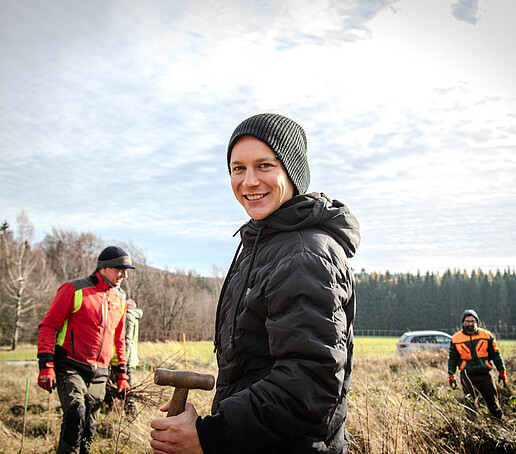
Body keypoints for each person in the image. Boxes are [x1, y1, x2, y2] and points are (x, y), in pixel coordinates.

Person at [150, 113, 361, 453]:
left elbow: (308, 383)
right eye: (238, 168)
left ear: (292, 171)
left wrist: (210, 436)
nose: (248, 181)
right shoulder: (263, 243)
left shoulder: (304, 254)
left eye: (264, 165)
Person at [37, 245, 135, 453]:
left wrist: (122, 375)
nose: (124, 275)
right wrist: (46, 366)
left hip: (100, 373)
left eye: (126, 271)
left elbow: (119, 340)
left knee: (89, 428)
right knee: (76, 415)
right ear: (104, 268)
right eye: (120, 270)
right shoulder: (73, 289)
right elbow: (48, 327)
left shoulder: (119, 298)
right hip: (71, 366)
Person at [448, 309, 508, 419]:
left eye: (473, 321)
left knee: (493, 402)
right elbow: (453, 358)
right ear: (463, 322)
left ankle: (499, 422)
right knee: (470, 404)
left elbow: (496, 355)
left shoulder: (487, 335)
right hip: (467, 376)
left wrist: (502, 372)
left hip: (485, 375)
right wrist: (451, 375)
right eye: (468, 321)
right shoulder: (456, 338)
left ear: (477, 322)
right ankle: (473, 424)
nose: (470, 324)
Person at [108, 298, 143, 415]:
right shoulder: (133, 316)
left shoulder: (128, 316)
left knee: (127, 392)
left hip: (126, 360)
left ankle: (132, 417)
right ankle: (112, 412)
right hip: (128, 358)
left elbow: (126, 341)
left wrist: (122, 363)